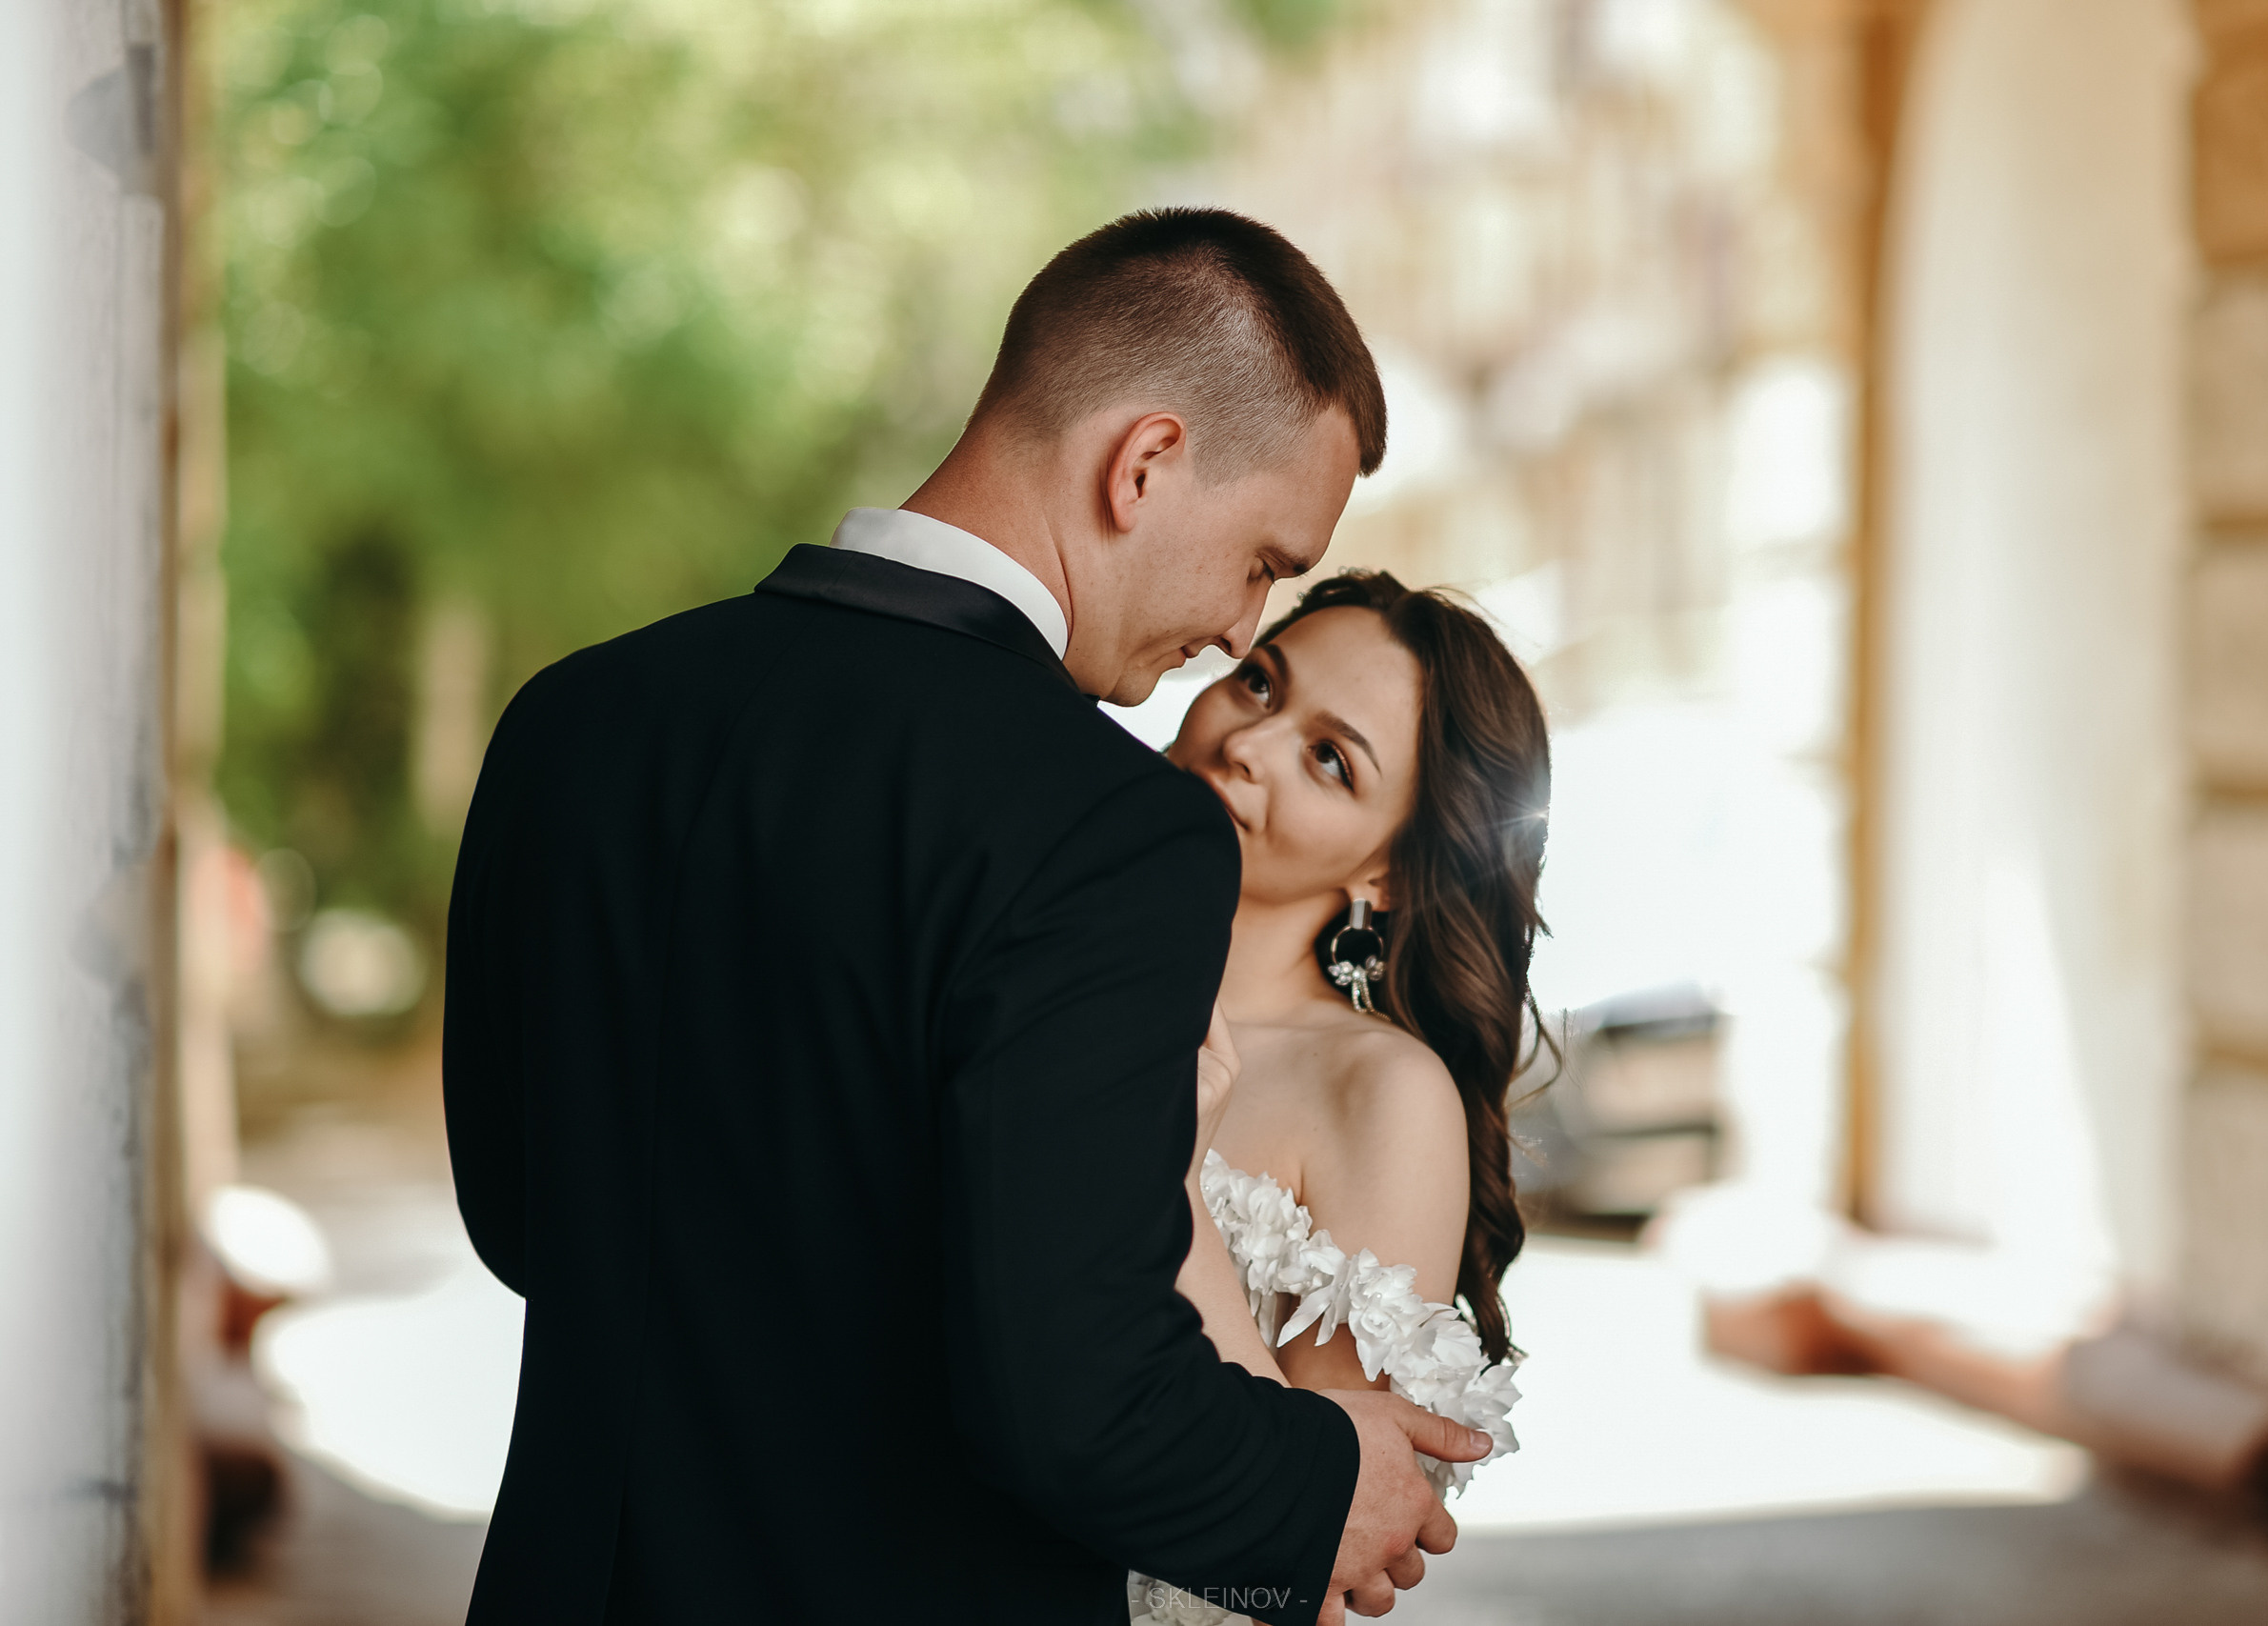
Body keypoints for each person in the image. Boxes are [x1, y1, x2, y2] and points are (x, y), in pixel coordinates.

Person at [444, 207, 1490, 1626]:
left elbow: (523, 1216)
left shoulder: (571, 719)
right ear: (1144, 464)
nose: (1243, 631)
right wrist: (1315, 1484)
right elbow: (1068, 1392)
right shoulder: (1108, 827)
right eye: (1260, 560)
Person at [1131, 572, 1550, 1626]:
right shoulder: (1028, 963)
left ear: (1390, 874)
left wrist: (1168, 1184)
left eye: (1329, 758)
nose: (1248, 744)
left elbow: (1310, 1541)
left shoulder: (1382, 1094)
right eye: (1259, 684)